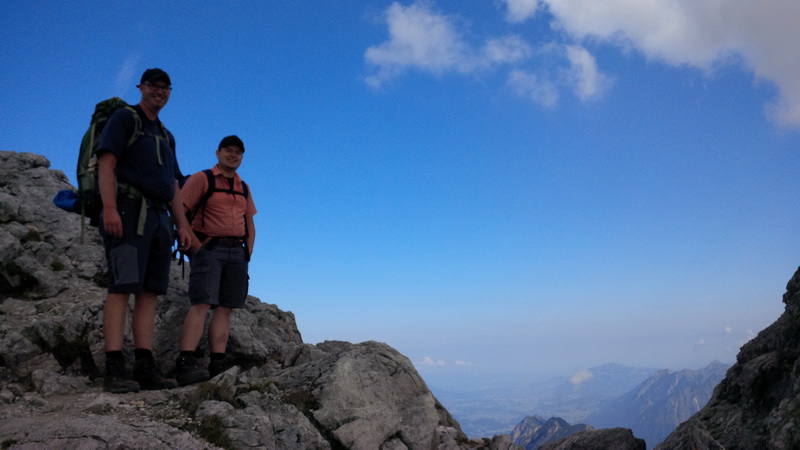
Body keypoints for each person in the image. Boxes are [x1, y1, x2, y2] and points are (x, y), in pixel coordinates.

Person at [97, 68, 192, 393]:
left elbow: (174, 185)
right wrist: (110, 208)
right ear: (141, 87)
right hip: (128, 212)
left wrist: (182, 225)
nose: (160, 91)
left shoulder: (166, 135)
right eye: (154, 85)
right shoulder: (125, 118)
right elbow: (107, 163)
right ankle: (113, 368)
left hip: (159, 219)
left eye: (166, 87)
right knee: (121, 287)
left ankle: (144, 366)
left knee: (149, 293)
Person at [175, 135, 257, 386]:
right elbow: (179, 210)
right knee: (201, 303)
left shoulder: (243, 187)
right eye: (228, 150)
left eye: (238, 152)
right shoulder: (202, 179)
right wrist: (196, 245)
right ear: (218, 153)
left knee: (225, 308)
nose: (233, 155)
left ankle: (217, 363)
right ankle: (185, 362)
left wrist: (247, 252)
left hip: (236, 253)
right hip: (209, 249)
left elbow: (249, 222)